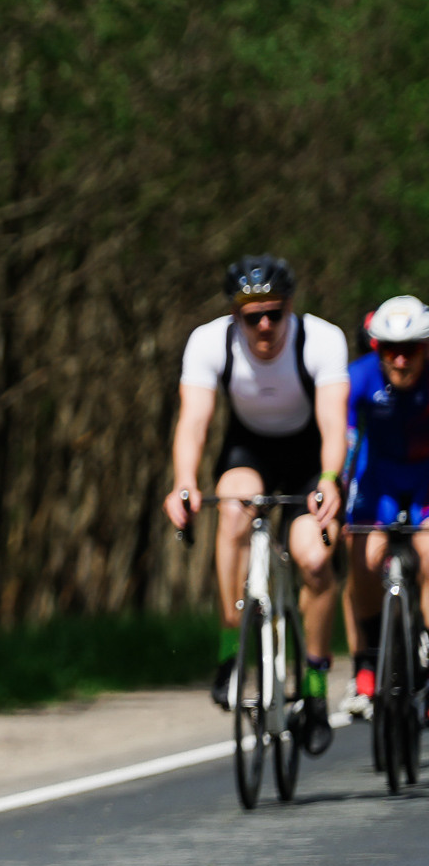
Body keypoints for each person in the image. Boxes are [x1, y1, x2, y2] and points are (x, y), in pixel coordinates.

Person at [165, 255, 347, 716]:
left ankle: (315, 680)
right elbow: (193, 423)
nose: (265, 326)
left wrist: (329, 481)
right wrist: (184, 484)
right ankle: (232, 648)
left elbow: (333, 424)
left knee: (315, 559)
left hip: (311, 457)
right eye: (252, 317)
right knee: (230, 508)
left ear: (290, 306)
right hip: (250, 451)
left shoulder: (321, 340)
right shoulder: (208, 342)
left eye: (275, 314)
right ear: (234, 316)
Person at [340, 294, 429, 715]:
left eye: (410, 349)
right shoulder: (357, 378)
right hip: (379, 482)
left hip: (427, 481)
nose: (400, 360)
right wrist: (337, 488)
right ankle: (370, 659)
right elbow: (344, 439)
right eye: (390, 350)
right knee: (364, 558)